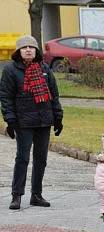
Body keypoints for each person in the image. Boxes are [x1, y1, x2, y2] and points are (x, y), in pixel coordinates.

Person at [1, 35, 63, 210]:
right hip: (23, 122)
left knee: (41, 159)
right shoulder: (11, 70)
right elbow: (6, 97)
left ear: (36, 50)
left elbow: (53, 95)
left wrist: (58, 117)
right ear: (18, 51)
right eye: (24, 47)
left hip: (44, 120)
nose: (28, 50)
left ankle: (36, 194)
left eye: (31, 47)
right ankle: (16, 195)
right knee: (23, 158)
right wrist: (10, 120)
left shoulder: (44, 69)